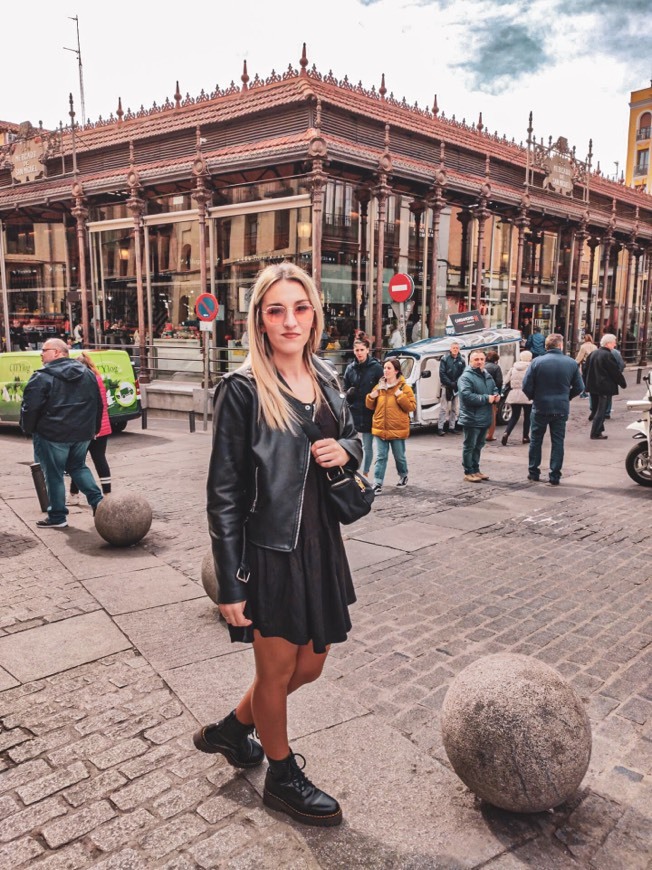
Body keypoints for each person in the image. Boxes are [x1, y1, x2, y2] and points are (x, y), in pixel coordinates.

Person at [198, 263, 362, 828]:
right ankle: (281, 775)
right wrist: (229, 579)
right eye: (276, 310)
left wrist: (350, 452)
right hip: (268, 550)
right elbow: (223, 493)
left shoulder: (328, 375)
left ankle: (232, 730)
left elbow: (352, 434)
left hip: (321, 542)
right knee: (276, 672)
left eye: (300, 307)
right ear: (260, 322)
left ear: (314, 314)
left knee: (310, 665)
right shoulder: (243, 391)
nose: (290, 320)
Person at [19, 339, 104, 528]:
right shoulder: (87, 374)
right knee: (78, 466)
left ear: (57, 352)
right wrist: (94, 429)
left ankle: (57, 517)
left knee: (54, 474)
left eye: (44, 350)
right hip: (82, 433)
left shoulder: (42, 376)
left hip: (52, 434)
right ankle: (98, 502)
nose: (41, 354)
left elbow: (30, 408)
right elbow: (97, 404)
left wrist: (29, 428)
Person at [522, 333, 584, 485]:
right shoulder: (571, 363)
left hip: (540, 406)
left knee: (536, 440)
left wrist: (534, 397)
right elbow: (580, 387)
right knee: (558, 442)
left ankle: (533, 472)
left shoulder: (537, 362)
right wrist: (567, 396)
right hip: (560, 407)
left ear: (546, 346)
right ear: (561, 345)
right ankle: (555, 475)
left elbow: (526, 386)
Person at [366, 357, 416, 494]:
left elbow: (411, 406)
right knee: (381, 457)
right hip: (380, 428)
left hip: (397, 429)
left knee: (399, 456)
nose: (385, 371)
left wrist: (400, 395)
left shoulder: (404, 387)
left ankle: (403, 474)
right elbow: (369, 406)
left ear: (396, 371)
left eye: (389, 368)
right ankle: (377, 483)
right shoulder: (379, 386)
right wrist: (371, 396)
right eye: (385, 368)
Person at [68, 352, 112, 505]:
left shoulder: (84, 380)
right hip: (103, 425)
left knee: (77, 462)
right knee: (100, 459)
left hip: (87, 427)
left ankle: (74, 495)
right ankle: (107, 494)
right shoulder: (98, 378)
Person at [342, 336, 383, 476]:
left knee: (367, 445)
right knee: (351, 443)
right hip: (354, 411)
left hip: (369, 411)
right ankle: (352, 470)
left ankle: (365, 473)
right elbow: (344, 388)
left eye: (361, 350)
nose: (359, 353)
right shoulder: (350, 368)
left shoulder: (376, 367)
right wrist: (348, 394)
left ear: (367, 350)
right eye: (357, 350)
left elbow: (382, 387)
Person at [457, 349, 500, 482]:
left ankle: (476, 469)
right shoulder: (465, 377)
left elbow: (494, 388)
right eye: (476, 359)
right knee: (470, 445)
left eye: (481, 359)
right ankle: (468, 471)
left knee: (479, 445)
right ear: (470, 361)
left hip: (484, 416)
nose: (479, 362)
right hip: (471, 417)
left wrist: (497, 395)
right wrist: (487, 398)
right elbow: (467, 396)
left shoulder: (486, 374)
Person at [584, 334, 627, 440]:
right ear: (608, 343)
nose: (615, 344)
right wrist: (622, 383)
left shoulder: (593, 353)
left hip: (593, 386)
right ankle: (595, 432)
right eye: (614, 342)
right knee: (601, 410)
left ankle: (598, 430)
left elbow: (585, 369)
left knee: (596, 409)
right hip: (603, 386)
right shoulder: (607, 355)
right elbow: (614, 371)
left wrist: (586, 383)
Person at [501, 350, 533, 446]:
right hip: (527, 395)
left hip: (514, 393)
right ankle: (525, 436)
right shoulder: (531, 368)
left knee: (514, 416)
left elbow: (506, 380)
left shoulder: (513, 367)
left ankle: (506, 432)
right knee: (527, 417)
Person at [437, 341, 465, 436]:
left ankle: (452, 427)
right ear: (450, 349)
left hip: (456, 387)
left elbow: (463, 373)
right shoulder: (444, 359)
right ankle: (440, 428)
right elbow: (442, 373)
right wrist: (450, 383)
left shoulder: (462, 360)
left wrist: (456, 383)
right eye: (454, 348)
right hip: (446, 386)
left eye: (457, 348)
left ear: (459, 349)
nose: (455, 350)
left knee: (454, 408)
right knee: (443, 408)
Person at [483, 349, 504, 441]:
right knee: (492, 415)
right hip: (492, 394)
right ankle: (490, 435)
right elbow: (499, 382)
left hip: (482, 394)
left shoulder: (482, 366)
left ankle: (481, 434)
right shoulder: (496, 367)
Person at [575, 333, 597, 399]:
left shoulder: (583, 346)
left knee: (584, 378)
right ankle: (589, 392)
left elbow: (580, 357)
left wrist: (575, 362)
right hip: (593, 364)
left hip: (585, 364)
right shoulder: (594, 346)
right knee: (590, 378)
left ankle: (584, 392)